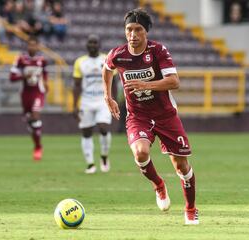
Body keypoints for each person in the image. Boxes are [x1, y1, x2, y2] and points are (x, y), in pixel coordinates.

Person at [102, 9, 198, 225]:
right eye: (129, 30)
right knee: (140, 152)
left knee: (182, 167)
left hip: (165, 115)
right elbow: (107, 69)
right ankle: (158, 185)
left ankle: (191, 208)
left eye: (138, 30)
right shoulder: (117, 54)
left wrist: (146, 85)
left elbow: (174, 82)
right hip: (138, 116)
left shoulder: (158, 51)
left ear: (146, 32)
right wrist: (108, 96)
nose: (133, 34)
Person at [73, 34, 112, 174]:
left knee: (103, 127)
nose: (92, 45)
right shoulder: (80, 62)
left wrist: (112, 99)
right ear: (86, 45)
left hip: (103, 100)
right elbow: (76, 85)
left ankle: (104, 156)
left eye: (95, 42)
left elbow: (112, 81)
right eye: (90, 42)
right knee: (86, 132)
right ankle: (90, 164)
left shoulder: (106, 59)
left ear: (99, 45)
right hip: (86, 101)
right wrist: (74, 106)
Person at [10, 36, 48, 161]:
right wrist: (24, 77)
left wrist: (46, 83)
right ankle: (36, 135)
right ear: (27, 46)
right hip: (26, 93)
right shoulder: (21, 59)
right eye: (30, 45)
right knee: (30, 122)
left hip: (38, 92)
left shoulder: (42, 60)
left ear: (37, 46)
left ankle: (38, 147)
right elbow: (12, 77)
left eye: (34, 45)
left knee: (35, 116)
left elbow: (45, 73)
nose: (32, 47)